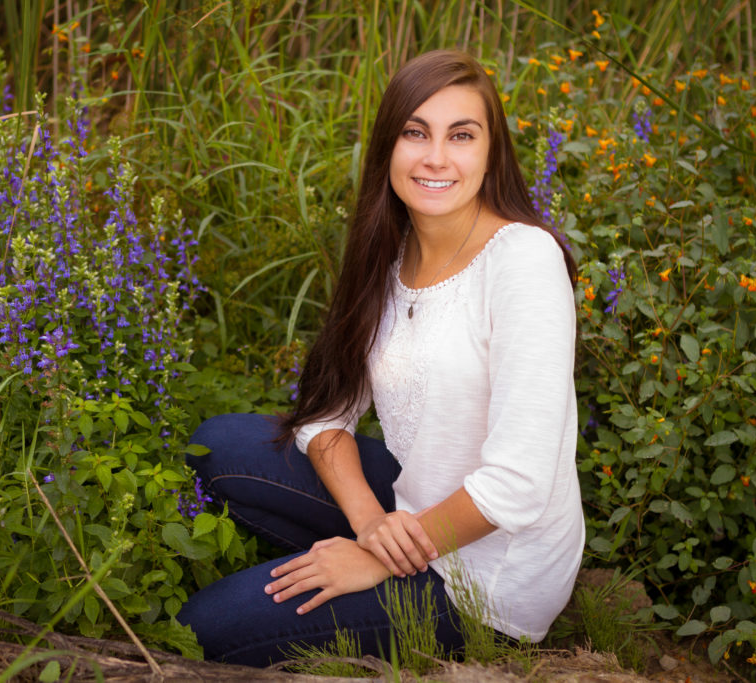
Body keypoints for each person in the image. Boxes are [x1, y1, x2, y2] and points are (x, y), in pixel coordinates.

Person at [177, 49, 584, 667]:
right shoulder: (389, 262)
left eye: (461, 135)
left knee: (200, 629)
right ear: (388, 148)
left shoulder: (524, 261)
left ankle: (371, 590)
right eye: (415, 132)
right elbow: (325, 415)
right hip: (410, 508)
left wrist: (376, 560)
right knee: (219, 447)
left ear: (491, 152)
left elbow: (518, 486)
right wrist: (369, 525)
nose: (436, 157)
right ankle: (353, 568)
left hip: (488, 578)